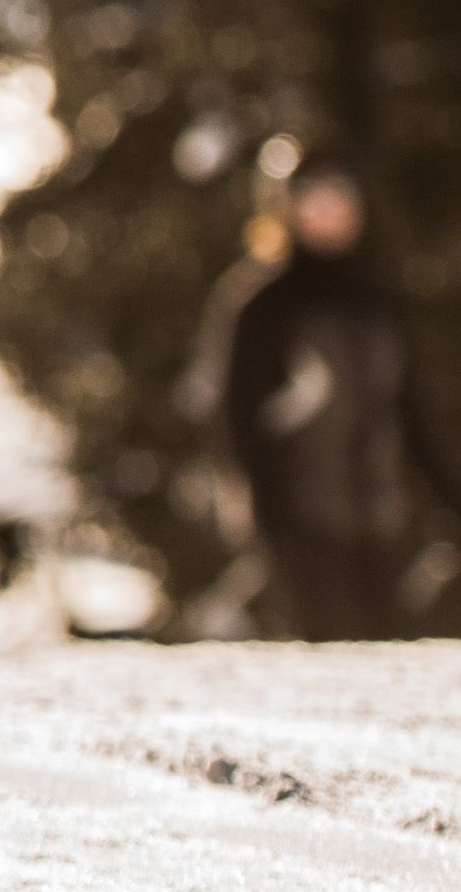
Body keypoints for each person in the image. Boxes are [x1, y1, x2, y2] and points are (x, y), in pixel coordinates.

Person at [190, 154, 455, 639]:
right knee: (332, 658)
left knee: (388, 659)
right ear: (287, 210)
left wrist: (448, 500)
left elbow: (412, 414)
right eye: (314, 202)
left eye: (339, 201)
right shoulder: (262, 306)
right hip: (303, 525)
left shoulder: (380, 304)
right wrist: (263, 511)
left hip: (382, 523)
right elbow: (233, 416)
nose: (327, 215)